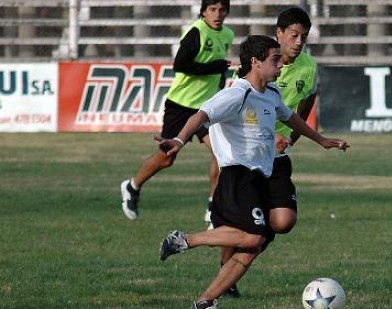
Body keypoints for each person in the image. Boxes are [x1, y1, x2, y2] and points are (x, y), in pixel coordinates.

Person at [155, 35, 349, 309]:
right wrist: (178, 140)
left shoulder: (270, 94)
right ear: (255, 63)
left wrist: (322, 140)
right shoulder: (237, 93)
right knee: (252, 236)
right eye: (275, 59)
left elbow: (290, 117)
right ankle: (184, 240)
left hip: (260, 177)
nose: (281, 64)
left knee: (250, 249)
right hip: (237, 175)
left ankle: (205, 302)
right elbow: (200, 116)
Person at [217, 7, 318, 298]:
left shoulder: (309, 67)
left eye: (304, 37)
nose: (299, 42)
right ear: (279, 34)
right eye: (294, 35)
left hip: (277, 156)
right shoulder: (256, 67)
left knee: (282, 222)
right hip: (247, 154)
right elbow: (234, 109)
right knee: (241, 220)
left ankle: (241, 251)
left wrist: (293, 137)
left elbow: (306, 102)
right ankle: (227, 272)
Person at [120, 0, 234, 220]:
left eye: (222, 10)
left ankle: (213, 208)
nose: (217, 14)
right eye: (212, 9)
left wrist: (220, 86)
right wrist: (216, 67)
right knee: (167, 158)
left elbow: (219, 69)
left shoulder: (227, 34)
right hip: (180, 105)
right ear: (203, 11)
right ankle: (132, 187)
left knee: (221, 153)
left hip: (205, 108)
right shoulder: (196, 32)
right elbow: (180, 64)